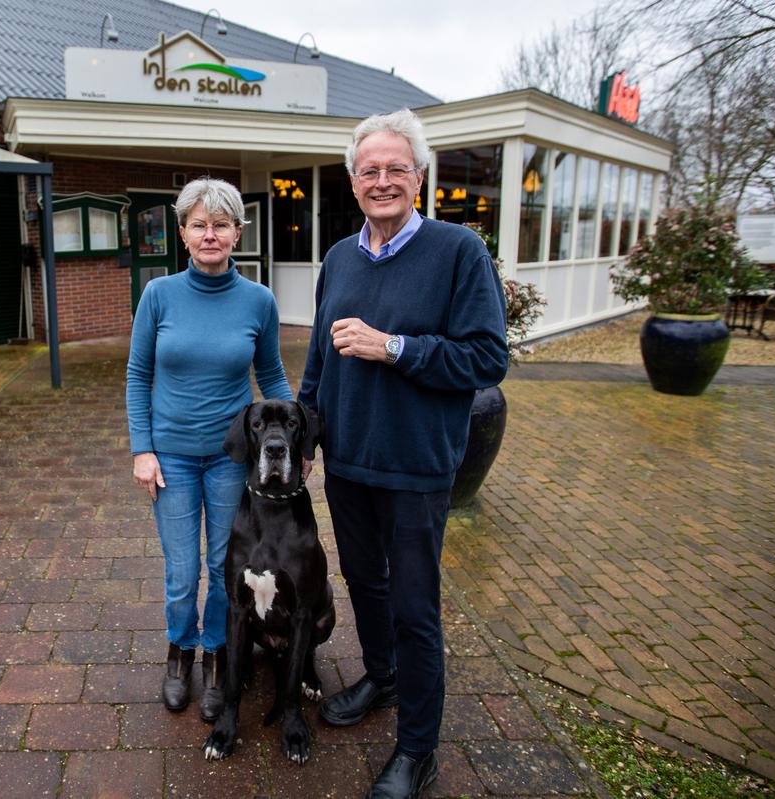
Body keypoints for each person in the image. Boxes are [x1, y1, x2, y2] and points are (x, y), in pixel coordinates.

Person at [298, 109, 508, 799]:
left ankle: (419, 750)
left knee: (416, 607)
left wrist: (394, 346)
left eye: (395, 168)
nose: (382, 180)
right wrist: (306, 436)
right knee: (365, 583)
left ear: (418, 177)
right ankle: (383, 679)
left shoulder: (458, 252)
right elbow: (318, 361)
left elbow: (486, 356)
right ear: (352, 181)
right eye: (369, 170)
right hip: (348, 462)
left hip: (417, 466)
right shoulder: (338, 257)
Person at [126, 177, 293, 722]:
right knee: (181, 572)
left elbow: (269, 372)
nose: (211, 235)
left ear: (237, 232)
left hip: (231, 459)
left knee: (227, 568)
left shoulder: (258, 300)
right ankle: (180, 652)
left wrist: (296, 441)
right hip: (170, 457)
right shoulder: (158, 296)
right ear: (183, 234)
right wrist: (141, 449)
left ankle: (219, 657)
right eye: (199, 224)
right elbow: (137, 374)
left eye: (221, 225)